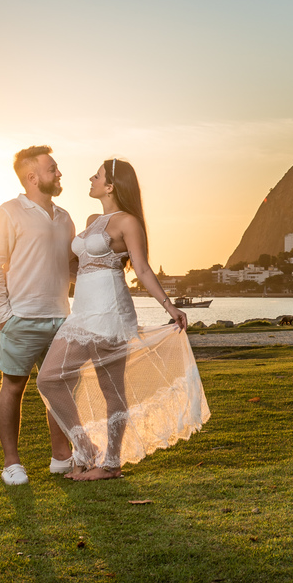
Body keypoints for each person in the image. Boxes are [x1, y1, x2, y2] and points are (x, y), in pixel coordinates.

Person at [37, 158, 210, 481]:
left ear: (111, 185)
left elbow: (142, 269)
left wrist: (169, 307)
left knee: (111, 388)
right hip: (83, 312)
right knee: (48, 379)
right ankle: (86, 449)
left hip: (111, 311)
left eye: (98, 175)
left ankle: (111, 464)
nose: (91, 178)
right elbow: (79, 267)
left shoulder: (128, 222)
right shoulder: (91, 220)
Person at [0, 145, 77, 486]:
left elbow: (69, 266)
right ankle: (11, 464)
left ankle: (61, 456)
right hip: (21, 318)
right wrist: (4, 315)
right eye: (53, 168)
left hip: (61, 319)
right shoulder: (8, 213)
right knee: (13, 386)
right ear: (33, 177)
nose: (60, 173)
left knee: (58, 388)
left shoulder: (65, 217)